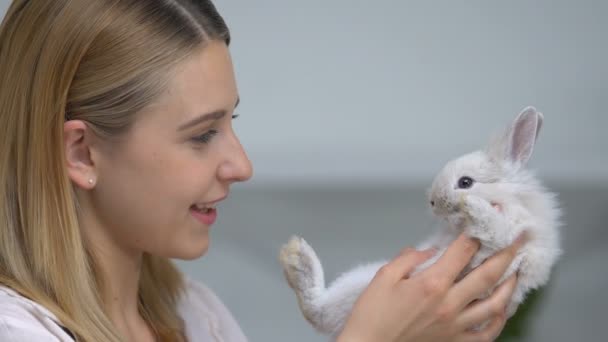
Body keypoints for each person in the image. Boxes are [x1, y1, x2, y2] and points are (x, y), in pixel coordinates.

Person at [0, 0, 527, 341]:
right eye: (202, 134)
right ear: (81, 154)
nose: (242, 165)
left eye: (232, 122)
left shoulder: (197, 319)